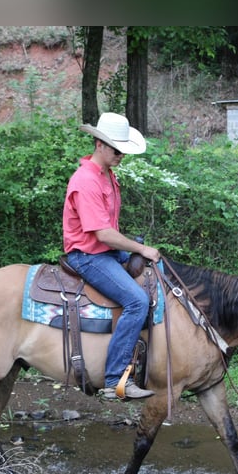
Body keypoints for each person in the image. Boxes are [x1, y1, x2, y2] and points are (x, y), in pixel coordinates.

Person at [63, 112, 161, 400]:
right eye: (117, 149)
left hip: (106, 250)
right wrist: (139, 248)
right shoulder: (86, 180)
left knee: (157, 272)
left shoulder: (108, 175)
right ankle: (114, 380)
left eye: (124, 150)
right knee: (136, 300)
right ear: (99, 144)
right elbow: (102, 233)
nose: (121, 155)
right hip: (89, 255)